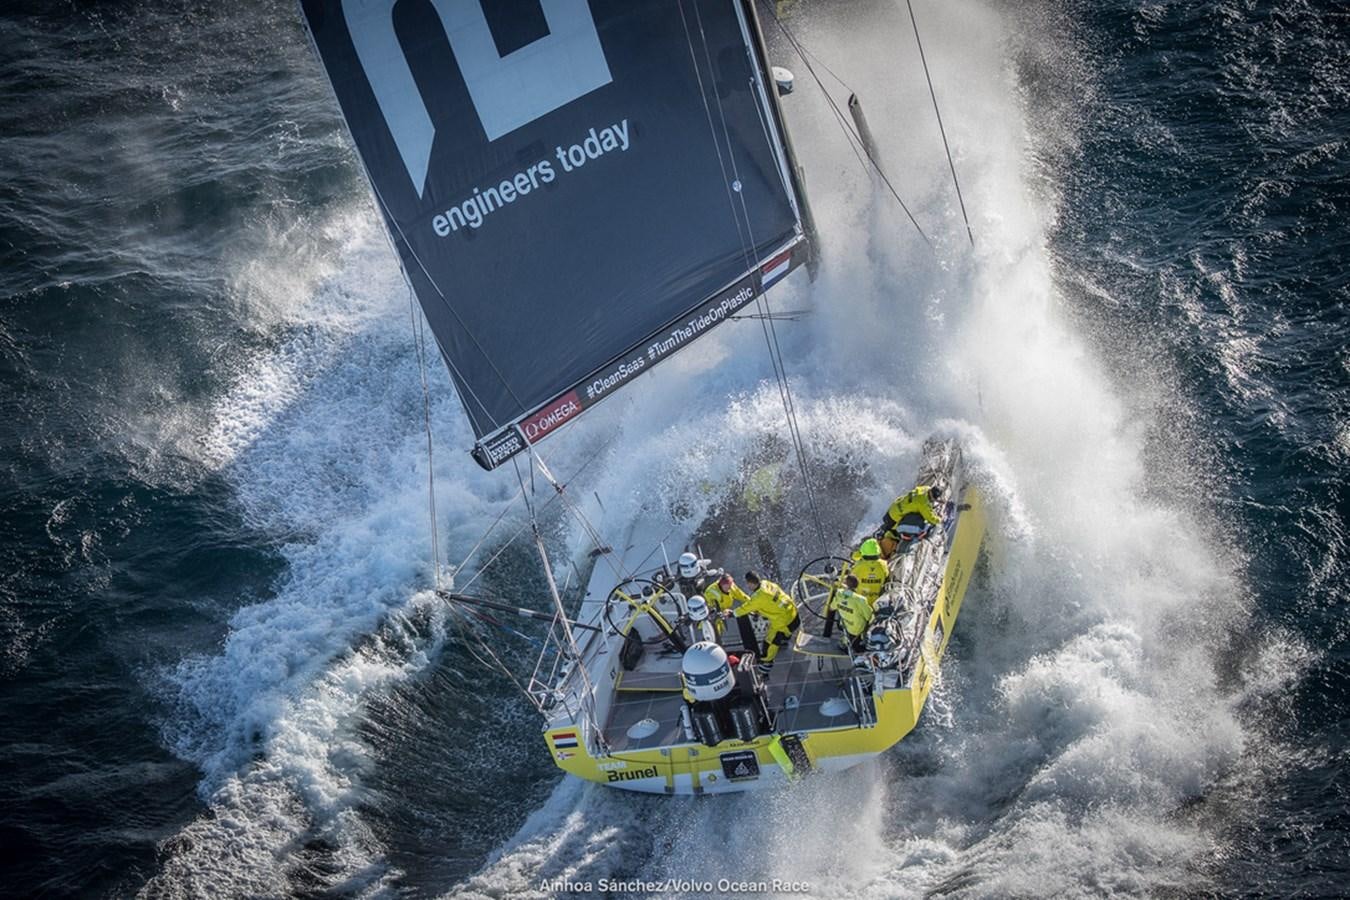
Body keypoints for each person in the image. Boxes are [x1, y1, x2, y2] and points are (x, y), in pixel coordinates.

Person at [724, 570, 799, 676]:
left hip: (784, 623)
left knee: (769, 643)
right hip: (793, 614)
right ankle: (784, 639)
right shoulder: (766, 583)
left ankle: (765, 666)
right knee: (781, 633)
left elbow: (746, 608)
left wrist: (732, 613)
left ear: (750, 583)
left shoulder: (758, 597)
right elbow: (771, 602)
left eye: (747, 584)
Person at [879, 484, 944, 555]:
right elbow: (930, 518)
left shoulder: (925, 489)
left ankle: (880, 535)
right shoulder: (923, 503)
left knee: (885, 529)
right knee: (891, 534)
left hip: (894, 507)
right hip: (896, 517)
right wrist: (940, 519)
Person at [826, 574, 875, 653]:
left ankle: (846, 643)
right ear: (857, 585)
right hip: (857, 629)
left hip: (844, 625)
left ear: (845, 583)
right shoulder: (860, 600)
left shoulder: (839, 594)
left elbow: (832, 608)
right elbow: (869, 616)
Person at [703, 572, 749, 637]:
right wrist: (716, 613)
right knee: (713, 634)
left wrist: (752, 603)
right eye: (727, 587)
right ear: (721, 585)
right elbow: (708, 607)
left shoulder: (731, 586)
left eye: (730, 586)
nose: (729, 589)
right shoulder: (711, 592)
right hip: (714, 617)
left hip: (724, 613)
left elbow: (741, 595)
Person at [848, 538, 889, 603]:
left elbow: (851, 577)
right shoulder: (884, 565)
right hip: (877, 602)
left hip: (861, 602)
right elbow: (886, 575)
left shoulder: (859, 566)